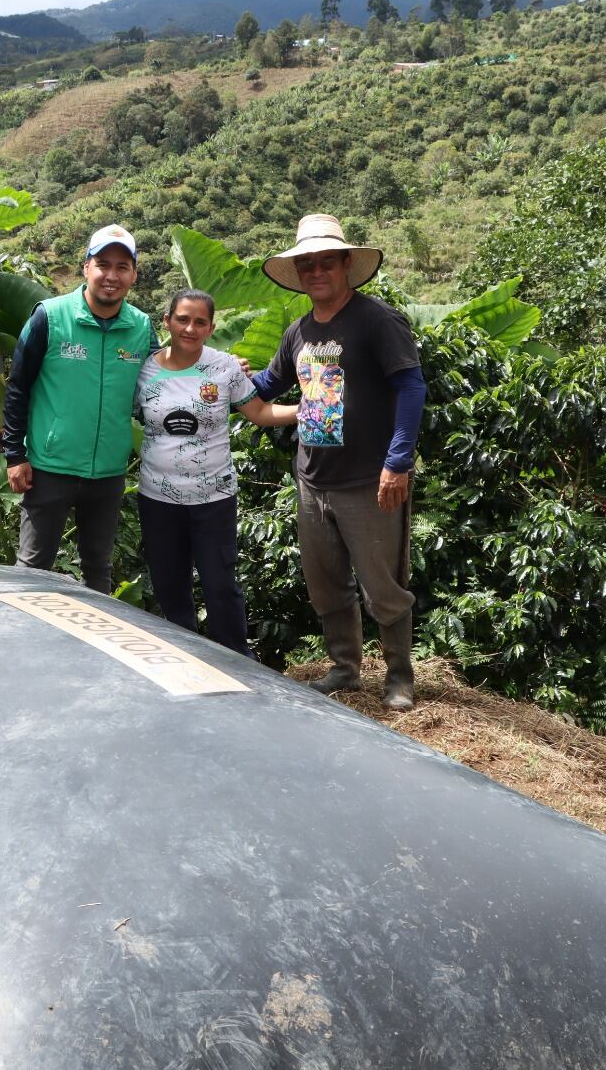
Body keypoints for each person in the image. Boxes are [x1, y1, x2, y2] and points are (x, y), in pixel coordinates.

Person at [252, 214, 426, 711]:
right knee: (326, 584)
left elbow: (411, 387)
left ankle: (399, 676)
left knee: (382, 586)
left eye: (326, 261)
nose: (316, 271)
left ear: (346, 263)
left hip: (368, 480)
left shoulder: (376, 320)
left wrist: (398, 462)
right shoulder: (299, 331)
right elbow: (270, 386)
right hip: (312, 479)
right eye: (307, 264)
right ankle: (346, 669)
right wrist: (224, 375)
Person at [135, 289, 296, 655]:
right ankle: (184, 661)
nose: (190, 328)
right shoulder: (144, 370)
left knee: (220, 585)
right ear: (168, 322)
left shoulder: (224, 367)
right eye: (182, 319)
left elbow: (260, 412)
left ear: (211, 327)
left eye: (200, 322)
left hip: (214, 498)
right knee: (169, 586)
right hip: (157, 499)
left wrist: (309, 409)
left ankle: (238, 661)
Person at [2, 224, 156, 594]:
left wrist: (218, 370)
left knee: (98, 572)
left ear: (133, 275)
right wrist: (13, 454)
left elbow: (162, 385)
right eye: (103, 264)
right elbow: (18, 386)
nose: (111, 275)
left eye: (122, 267)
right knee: (32, 569)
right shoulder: (50, 317)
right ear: (85, 267)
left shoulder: (141, 327)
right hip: (49, 468)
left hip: (107, 472)